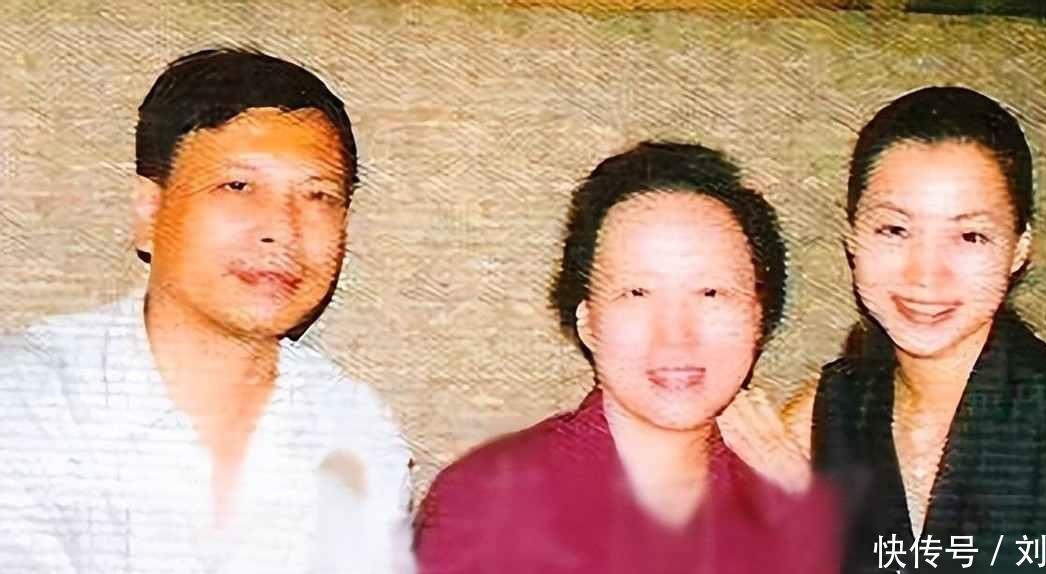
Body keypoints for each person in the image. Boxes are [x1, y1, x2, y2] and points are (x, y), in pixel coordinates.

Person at [721, 86, 1046, 573]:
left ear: (1018, 249)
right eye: (894, 230)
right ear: (852, 238)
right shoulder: (817, 422)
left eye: (970, 236)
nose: (925, 275)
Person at [0, 49, 415, 574]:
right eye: (238, 186)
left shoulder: (355, 427)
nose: (282, 228)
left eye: (318, 195)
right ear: (149, 211)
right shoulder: (27, 397)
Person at [414, 141, 843, 574]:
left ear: (758, 317)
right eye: (636, 293)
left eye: (711, 293)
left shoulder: (790, 495)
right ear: (588, 321)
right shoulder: (488, 502)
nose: (676, 336)